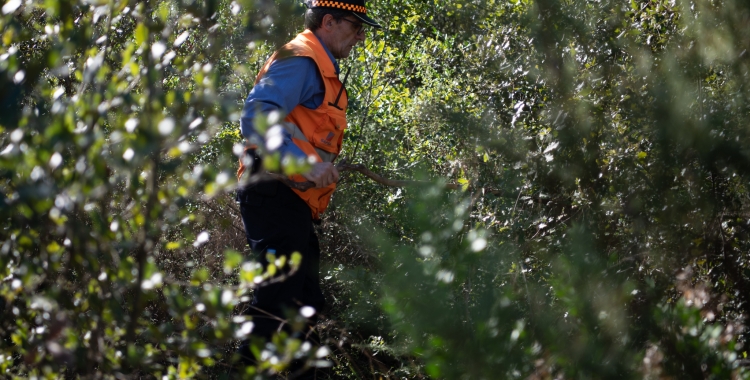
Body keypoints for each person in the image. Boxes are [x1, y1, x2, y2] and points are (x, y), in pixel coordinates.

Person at [234, 0, 381, 376]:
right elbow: (255, 118)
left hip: (291, 201)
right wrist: (307, 164)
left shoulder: (318, 66)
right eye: (355, 24)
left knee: (305, 304)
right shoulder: (302, 60)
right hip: (274, 192)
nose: (361, 35)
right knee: (277, 298)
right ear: (329, 21)